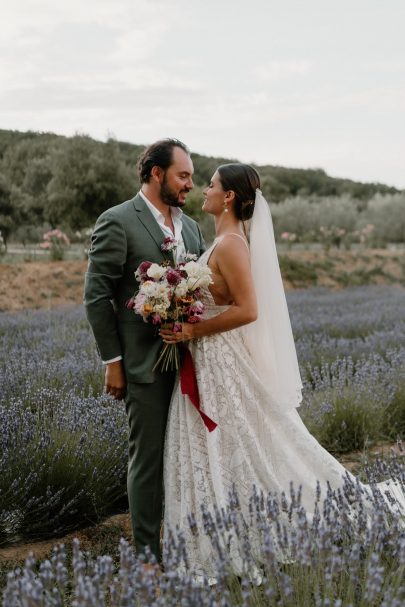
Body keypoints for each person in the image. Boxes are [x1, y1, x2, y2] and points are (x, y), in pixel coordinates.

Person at [160, 163, 405, 578]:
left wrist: (191, 327)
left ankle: (332, 510)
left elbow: (248, 309)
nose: (205, 189)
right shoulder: (222, 239)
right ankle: (223, 530)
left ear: (230, 197)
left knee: (252, 440)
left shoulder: (233, 243)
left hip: (222, 358)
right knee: (234, 443)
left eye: (212, 185)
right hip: (209, 359)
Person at [84, 139, 205, 561]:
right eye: (183, 175)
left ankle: (184, 543)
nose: (190, 184)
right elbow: (97, 296)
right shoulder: (117, 220)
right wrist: (112, 362)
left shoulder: (190, 227)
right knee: (148, 459)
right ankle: (147, 557)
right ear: (157, 173)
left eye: (190, 176)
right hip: (142, 365)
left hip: (190, 361)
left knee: (187, 456)